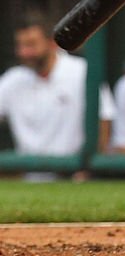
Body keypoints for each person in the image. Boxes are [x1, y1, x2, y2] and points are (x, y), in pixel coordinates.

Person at [0, 11, 114, 163]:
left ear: (52, 43)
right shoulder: (13, 79)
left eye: (31, 44)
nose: (24, 52)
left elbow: (104, 120)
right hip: (27, 178)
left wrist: (88, 171)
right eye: (20, 45)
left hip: (73, 176)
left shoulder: (81, 72)